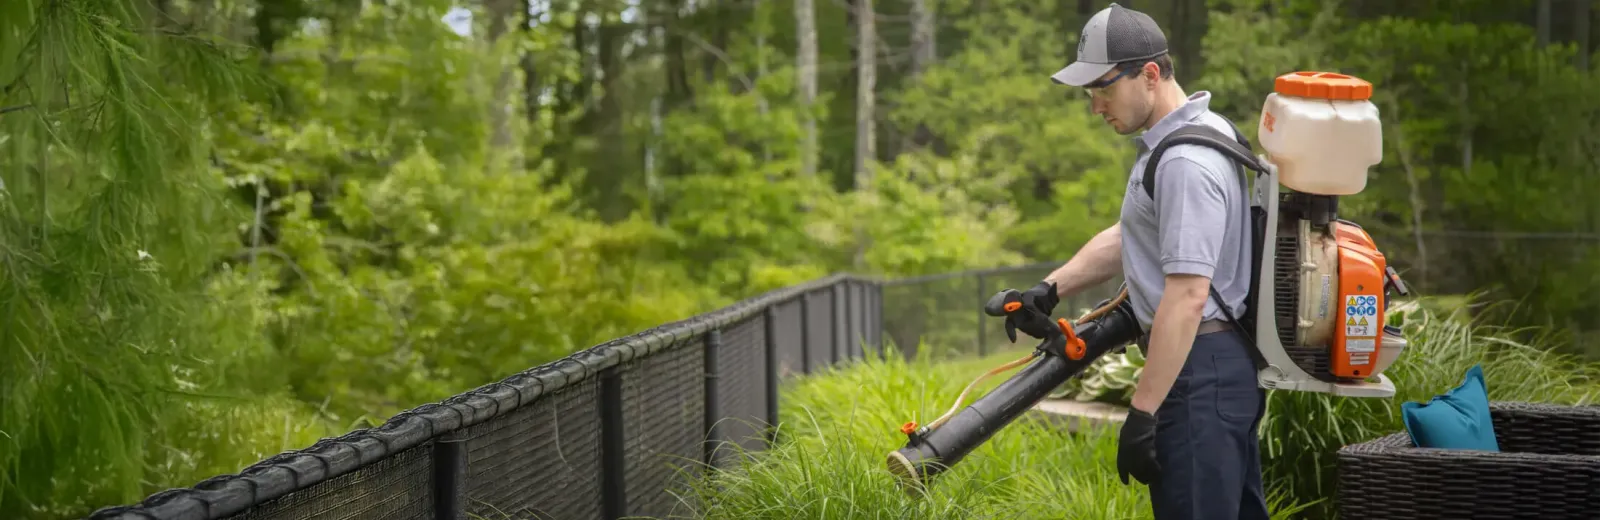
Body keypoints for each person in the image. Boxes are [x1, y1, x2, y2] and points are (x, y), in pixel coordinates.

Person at [1017, 3, 1271, 519]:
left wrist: (1143, 411)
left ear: (1149, 75)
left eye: (1104, 89)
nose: (1095, 107)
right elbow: (1133, 233)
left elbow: (1187, 295)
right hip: (1213, 368)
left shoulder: (1183, 161)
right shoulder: (1197, 131)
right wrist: (1049, 288)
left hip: (1199, 372)